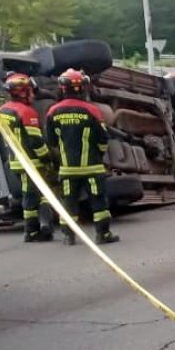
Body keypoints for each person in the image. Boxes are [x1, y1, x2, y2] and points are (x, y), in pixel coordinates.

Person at [44, 69, 120, 245]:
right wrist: (99, 156)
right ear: (82, 88)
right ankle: (103, 234)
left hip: (68, 169)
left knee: (69, 203)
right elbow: (102, 140)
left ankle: (68, 236)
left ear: (62, 88)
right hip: (92, 169)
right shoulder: (92, 111)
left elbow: (51, 141)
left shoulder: (53, 112)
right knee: (98, 203)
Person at [0, 72, 54, 242]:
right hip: (31, 163)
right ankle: (31, 231)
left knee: (37, 195)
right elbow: (35, 141)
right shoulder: (27, 112)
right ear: (25, 91)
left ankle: (44, 227)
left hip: (15, 162)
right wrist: (48, 159)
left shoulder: (2, 110)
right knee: (32, 196)